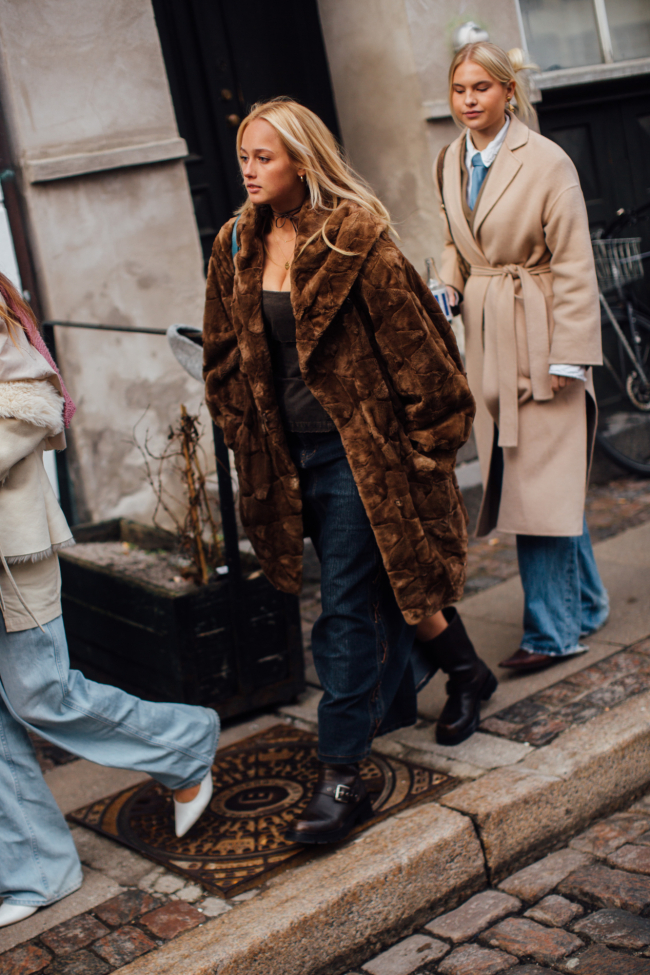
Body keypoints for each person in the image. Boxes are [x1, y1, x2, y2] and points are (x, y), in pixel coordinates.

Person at [203, 97, 496, 847]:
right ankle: (466, 671)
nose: (249, 168)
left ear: (303, 160)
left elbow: (424, 354)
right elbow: (224, 354)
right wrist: (240, 426)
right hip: (283, 457)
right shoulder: (235, 242)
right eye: (245, 155)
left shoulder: (356, 241)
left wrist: (425, 448)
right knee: (380, 585)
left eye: (264, 156)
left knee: (340, 608)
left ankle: (340, 776)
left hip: (358, 455)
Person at [0, 276, 219, 928]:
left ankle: (185, 741)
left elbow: (32, 399)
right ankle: (39, 867)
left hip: (13, 555)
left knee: (43, 693)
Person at [435, 43, 609, 672]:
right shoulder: (450, 159)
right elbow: (455, 235)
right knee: (544, 482)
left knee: (538, 487)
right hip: (486, 334)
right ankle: (585, 603)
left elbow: (574, 262)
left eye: (481, 87)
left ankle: (553, 633)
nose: (469, 100)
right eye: (459, 89)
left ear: (509, 91)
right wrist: (448, 282)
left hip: (541, 333)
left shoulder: (548, 161)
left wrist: (571, 354)